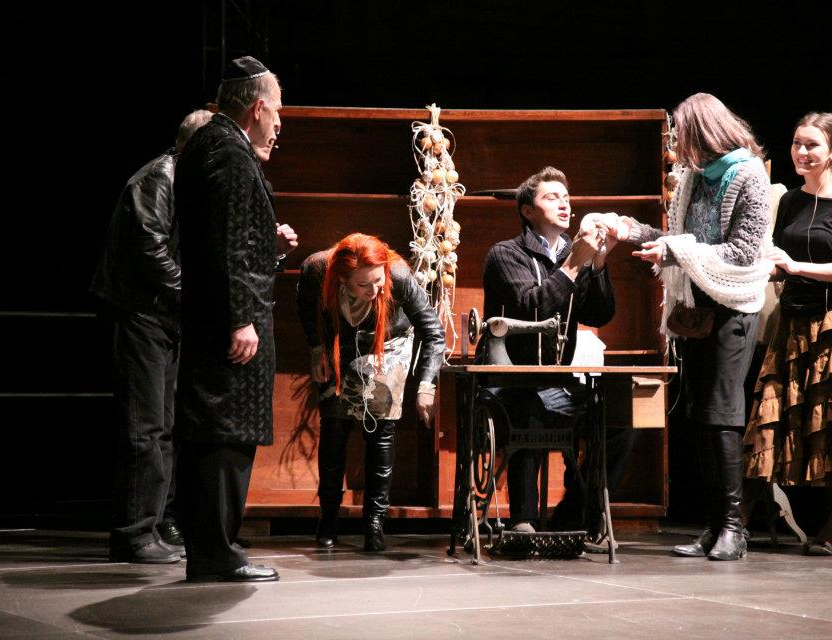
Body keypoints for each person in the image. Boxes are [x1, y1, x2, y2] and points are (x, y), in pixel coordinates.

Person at [620, 93, 772, 561]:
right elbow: (680, 242)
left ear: (703, 132)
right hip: (697, 305)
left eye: (681, 135)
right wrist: (632, 230)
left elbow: (741, 252)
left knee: (722, 412)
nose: (676, 145)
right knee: (701, 415)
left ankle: (734, 529)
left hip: (734, 305)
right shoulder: (693, 176)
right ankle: (713, 526)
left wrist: (674, 250)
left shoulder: (748, 174)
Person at [174, 56, 298, 582]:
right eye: (278, 113)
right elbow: (222, 244)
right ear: (258, 107)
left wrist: (270, 248)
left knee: (223, 433)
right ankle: (214, 553)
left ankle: (213, 549)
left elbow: (232, 239)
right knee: (223, 435)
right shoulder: (227, 150)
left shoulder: (214, 144)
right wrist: (238, 318)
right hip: (228, 324)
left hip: (222, 316)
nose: (280, 125)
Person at [743, 112, 832, 555]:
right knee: (769, 417)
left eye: (812, 145)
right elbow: (778, 257)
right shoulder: (790, 200)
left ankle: (830, 527)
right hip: (792, 322)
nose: (801, 152)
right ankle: (738, 522)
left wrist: (796, 267)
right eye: (797, 143)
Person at [92, 109, 213, 564]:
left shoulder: (180, 180)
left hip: (160, 316)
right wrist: (194, 298)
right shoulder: (158, 178)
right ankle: (134, 534)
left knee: (162, 428)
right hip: (141, 314)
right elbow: (151, 251)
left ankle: (154, 523)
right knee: (145, 429)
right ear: (194, 147)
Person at [481, 166, 619, 535]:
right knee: (528, 404)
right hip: (509, 383)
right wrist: (575, 264)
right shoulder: (505, 255)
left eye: (566, 198)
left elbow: (599, 314)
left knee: (619, 418)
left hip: (558, 381)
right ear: (527, 210)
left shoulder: (574, 253)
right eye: (551, 197)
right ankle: (523, 519)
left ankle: (575, 513)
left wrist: (599, 263)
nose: (564, 204)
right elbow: (532, 307)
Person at [297, 233, 445, 551]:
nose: (374, 290)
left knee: (380, 434)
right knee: (334, 428)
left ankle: (375, 522)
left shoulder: (398, 274)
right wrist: (316, 348)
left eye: (378, 281)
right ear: (342, 278)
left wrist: (426, 386)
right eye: (363, 284)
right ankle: (328, 518)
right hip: (340, 342)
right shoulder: (317, 269)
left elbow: (433, 331)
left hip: (387, 345)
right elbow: (306, 306)